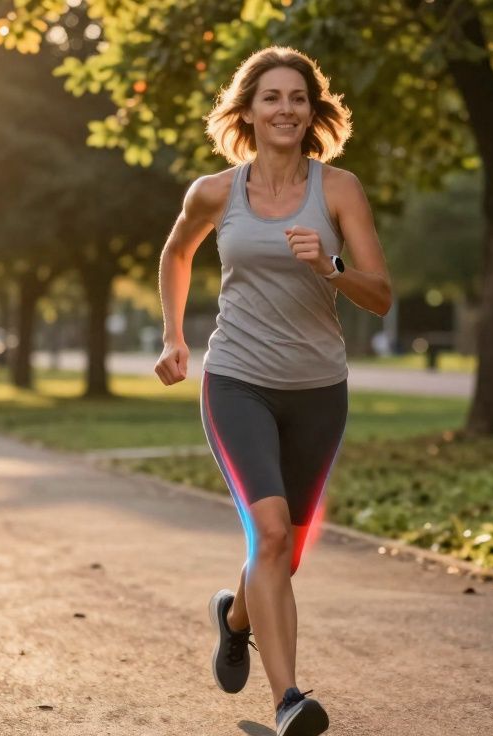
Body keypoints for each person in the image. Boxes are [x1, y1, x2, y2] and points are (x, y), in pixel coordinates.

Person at [153, 47, 392, 736]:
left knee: (282, 553)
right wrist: (174, 336)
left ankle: (234, 618)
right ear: (248, 112)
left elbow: (379, 296)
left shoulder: (339, 189)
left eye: (297, 98)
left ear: (313, 111)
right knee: (272, 532)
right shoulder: (215, 192)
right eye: (271, 98)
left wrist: (332, 266)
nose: (285, 109)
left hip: (319, 390)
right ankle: (288, 699)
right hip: (237, 382)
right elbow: (175, 253)